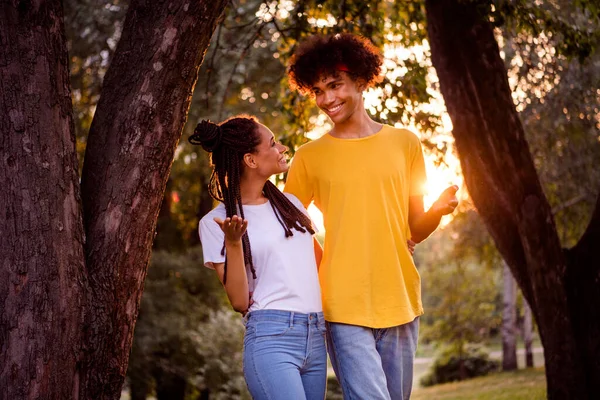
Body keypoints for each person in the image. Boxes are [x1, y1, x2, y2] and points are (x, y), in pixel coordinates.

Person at [284, 33, 459, 400]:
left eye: (335, 84)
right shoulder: (308, 157)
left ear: (361, 80)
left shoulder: (405, 143)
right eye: (317, 90)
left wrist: (438, 212)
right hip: (342, 303)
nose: (327, 98)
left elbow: (414, 226)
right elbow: (288, 233)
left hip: (400, 298)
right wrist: (324, 265)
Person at [191, 116, 327, 400]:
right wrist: (233, 242)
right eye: (273, 143)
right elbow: (239, 301)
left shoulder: (290, 205)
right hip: (271, 337)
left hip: (315, 334)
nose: (283, 148)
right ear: (251, 160)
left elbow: (319, 262)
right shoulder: (216, 222)